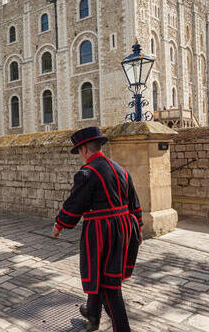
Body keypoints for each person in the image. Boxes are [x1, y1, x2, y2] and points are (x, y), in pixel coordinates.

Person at [52, 127, 143, 332]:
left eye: (79, 152)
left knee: (109, 285)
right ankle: (92, 314)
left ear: (84, 149)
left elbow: (76, 203)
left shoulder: (88, 173)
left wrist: (59, 224)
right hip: (125, 229)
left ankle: (123, 329)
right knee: (100, 275)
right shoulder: (120, 169)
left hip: (104, 233)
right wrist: (139, 227)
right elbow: (134, 201)